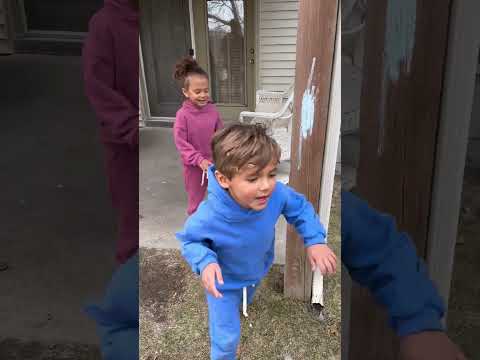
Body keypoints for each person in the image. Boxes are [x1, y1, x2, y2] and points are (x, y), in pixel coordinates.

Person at [177, 124, 338, 359]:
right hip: (223, 284)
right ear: (223, 179)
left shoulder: (276, 194)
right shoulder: (208, 216)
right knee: (226, 336)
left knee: (250, 287)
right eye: (253, 178)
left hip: (257, 269)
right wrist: (205, 262)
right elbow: (191, 242)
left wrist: (315, 240)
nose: (265, 186)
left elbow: (300, 208)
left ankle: (247, 298)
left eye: (271, 174)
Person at [83, 0, 139, 264]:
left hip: (153, 138)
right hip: (125, 145)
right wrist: (130, 126)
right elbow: (98, 86)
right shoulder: (105, 23)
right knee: (131, 222)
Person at [173, 56, 224, 215]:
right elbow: (181, 143)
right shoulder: (183, 115)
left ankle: (216, 224)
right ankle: (195, 230)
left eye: (206, 90)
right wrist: (198, 159)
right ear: (186, 92)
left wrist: (224, 153)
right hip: (194, 168)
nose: (203, 95)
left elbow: (221, 134)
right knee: (195, 202)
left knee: (219, 195)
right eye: (197, 91)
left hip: (214, 163)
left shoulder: (213, 110)